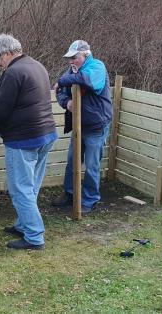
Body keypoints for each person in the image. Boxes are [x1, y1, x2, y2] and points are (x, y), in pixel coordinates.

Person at [0, 34, 57, 250]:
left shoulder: (14, 72)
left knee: (20, 189)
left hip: (24, 139)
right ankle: (24, 224)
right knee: (31, 185)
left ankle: (34, 237)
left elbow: (0, 109)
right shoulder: (36, 65)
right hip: (47, 134)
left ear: (7, 52)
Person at [52, 40, 112, 214]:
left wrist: (62, 80)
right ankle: (70, 194)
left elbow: (86, 81)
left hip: (96, 125)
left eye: (74, 57)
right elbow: (60, 91)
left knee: (92, 163)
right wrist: (67, 103)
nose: (71, 61)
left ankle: (90, 199)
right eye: (69, 58)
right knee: (72, 161)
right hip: (78, 125)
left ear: (86, 55)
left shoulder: (97, 67)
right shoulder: (73, 70)